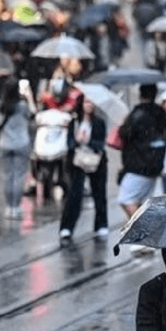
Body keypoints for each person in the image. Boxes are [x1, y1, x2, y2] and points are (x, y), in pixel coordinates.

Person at [58, 96, 109, 244]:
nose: (89, 105)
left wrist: (88, 141)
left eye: (92, 103)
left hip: (96, 161)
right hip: (77, 161)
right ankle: (67, 226)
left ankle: (101, 224)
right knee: (75, 194)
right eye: (87, 102)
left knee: (99, 193)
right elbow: (69, 143)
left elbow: (101, 144)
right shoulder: (74, 122)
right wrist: (76, 141)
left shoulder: (99, 122)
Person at [118, 84, 166, 218]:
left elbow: (125, 133)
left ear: (140, 94)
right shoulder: (161, 114)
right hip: (155, 164)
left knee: (125, 199)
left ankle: (142, 230)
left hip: (137, 165)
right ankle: (143, 231)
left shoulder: (138, 114)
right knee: (142, 201)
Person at [0, 78, 37, 219]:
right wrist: (29, 97)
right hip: (21, 143)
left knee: (7, 176)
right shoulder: (22, 106)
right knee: (19, 176)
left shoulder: (0, 106)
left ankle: (9, 207)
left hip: (5, 143)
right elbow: (33, 115)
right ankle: (16, 207)